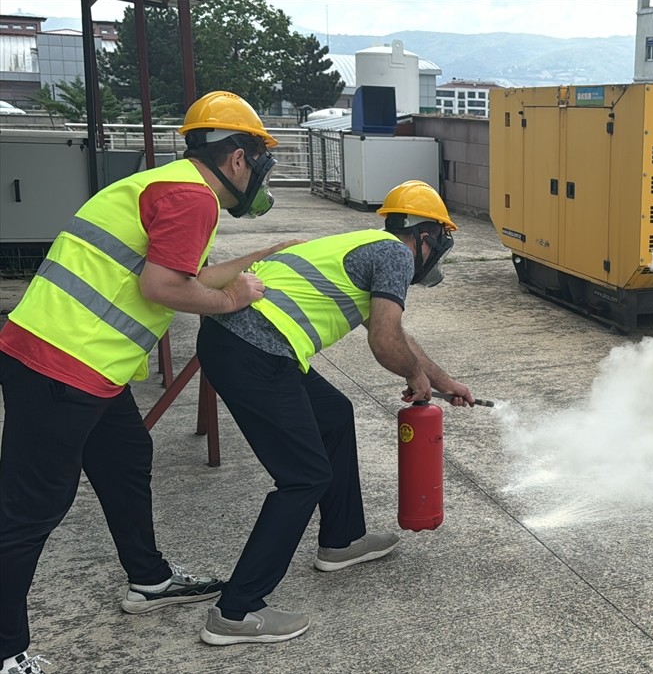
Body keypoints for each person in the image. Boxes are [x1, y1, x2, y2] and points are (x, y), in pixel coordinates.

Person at [0, 90, 297, 674]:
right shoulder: (193, 198)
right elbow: (161, 288)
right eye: (261, 158)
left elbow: (181, 271)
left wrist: (262, 257)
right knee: (30, 509)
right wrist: (232, 299)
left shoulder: (169, 185)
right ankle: (5, 651)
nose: (262, 172)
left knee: (126, 458)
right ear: (237, 158)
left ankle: (149, 579)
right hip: (62, 364)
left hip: (83, 364)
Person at [193, 180, 474, 646]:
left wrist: (443, 382)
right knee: (305, 477)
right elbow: (385, 342)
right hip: (255, 352)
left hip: (246, 344)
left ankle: (341, 541)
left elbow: (396, 335)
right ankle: (236, 611)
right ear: (429, 237)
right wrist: (415, 379)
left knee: (334, 412)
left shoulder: (359, 247)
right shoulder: (396, 256)